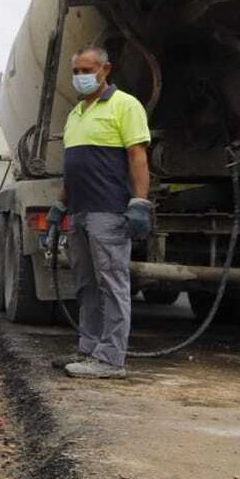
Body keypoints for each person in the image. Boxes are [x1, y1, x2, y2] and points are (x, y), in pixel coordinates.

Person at [48, 45, 152, 379]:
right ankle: (89, 348)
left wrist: (139, 203)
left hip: (108, 210)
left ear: (106, 69)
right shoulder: (76, 113)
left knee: (112, 282)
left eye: (86, 70)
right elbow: (73, 166)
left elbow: (137, 156)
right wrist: (60, 205)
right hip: (79, 211)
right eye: (76, 71)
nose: (80, 77)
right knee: (85, 284)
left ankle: (110, 359)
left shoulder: (125, 105)